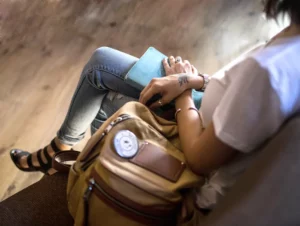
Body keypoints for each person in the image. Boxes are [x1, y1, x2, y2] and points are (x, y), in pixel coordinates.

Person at [10, 0, 300, 215]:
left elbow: (199, 159)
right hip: (208, 111)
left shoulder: (270, 73)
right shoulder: (290, 45)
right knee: (102, 65)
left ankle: (90, 168)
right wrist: (192, 79)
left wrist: (183, 94)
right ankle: (68, 153)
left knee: (108, 95)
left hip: (196, 164)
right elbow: (241, 92)